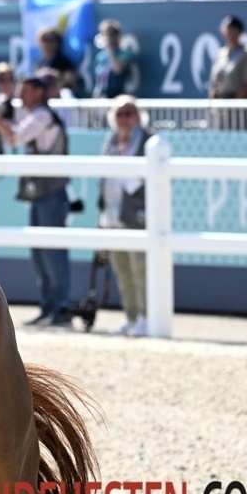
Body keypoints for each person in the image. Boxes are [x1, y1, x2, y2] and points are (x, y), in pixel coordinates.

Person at [0, 76, 72, 327]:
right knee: (40, 253)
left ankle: (60, 309)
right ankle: (49, 308)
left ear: (39, 92)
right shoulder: (35, 114)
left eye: (25, 90)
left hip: (50, 193)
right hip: (42, 192)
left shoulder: (43, 115)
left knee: (52, 252)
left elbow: (14, 136)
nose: (20, 95)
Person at [98, 96, 152, 337]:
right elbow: (104, 179)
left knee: (140, 268)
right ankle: (131, 317)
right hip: (112, 215)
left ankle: (146, 316)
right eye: (120, 113)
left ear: (138, 116)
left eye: (129, 113)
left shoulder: (148, 140)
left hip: (136, 214)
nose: (124, 118)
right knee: (122, 269)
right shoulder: (110, 141)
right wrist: (102, 216)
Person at [209, 15, 247, 99]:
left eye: (233, 31)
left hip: (239, 102)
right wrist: (212, 101)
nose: (230, 34)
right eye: (228, 30)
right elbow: (214, 83)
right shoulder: (220, 54)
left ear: (240, 33)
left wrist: (236, 103)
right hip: (220, 101)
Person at [91, 20, 135, 99]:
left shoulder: (124, 53)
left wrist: (110, 49)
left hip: (116, 98)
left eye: (111, 33)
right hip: (99, 97)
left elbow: (118, 70)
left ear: (116, 35)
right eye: (104, 33)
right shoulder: (100, 56)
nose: (107, 37)